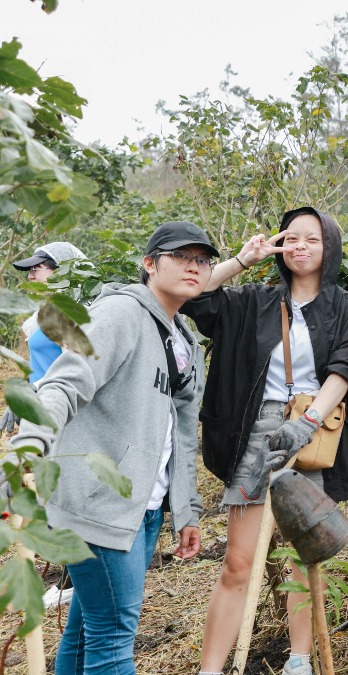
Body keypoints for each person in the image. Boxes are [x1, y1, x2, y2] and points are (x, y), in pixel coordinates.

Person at [11, 221, 210, 674]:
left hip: (144, 504)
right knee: (115, 635)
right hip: (99, 499)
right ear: (149, 263)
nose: (193, 267)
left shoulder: (185, 338)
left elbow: (180, 432)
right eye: (181, 256)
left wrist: (186, 508)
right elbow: (65, 382)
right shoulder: (120, 314)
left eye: (202, 260)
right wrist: (27, 446)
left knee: (88, 630)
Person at [187, 208, 348, 675]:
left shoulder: (346, 307)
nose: (300, 246)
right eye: (291, 238)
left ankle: (300, 659)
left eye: (312, 239)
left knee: (302, 557)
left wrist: (307, 420)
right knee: (238, 561)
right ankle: (210, 669)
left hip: (314, 432)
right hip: (256, 432)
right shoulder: (253, 300)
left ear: (329, 246)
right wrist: (240, 261)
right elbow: (195, 298)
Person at [1, 242, 87, 434]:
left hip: (58, 412)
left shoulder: (69, 314)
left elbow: (74, 367)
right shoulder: (48, 312)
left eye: (36, 269)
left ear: (61, 271)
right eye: (29, 271)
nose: (30, 276)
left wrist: (34, 390)